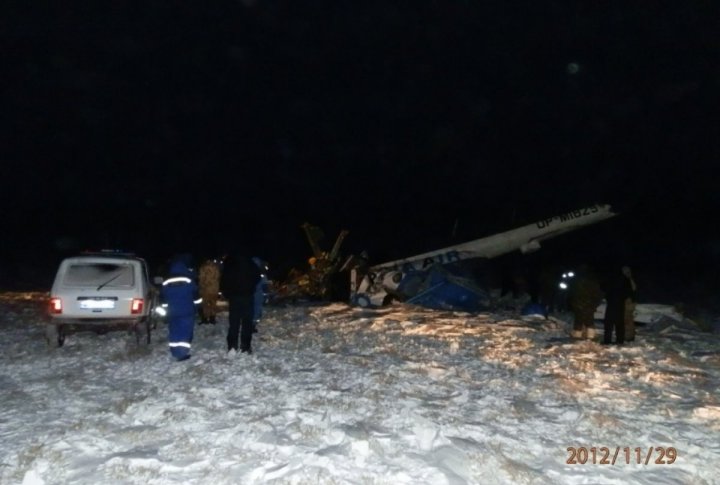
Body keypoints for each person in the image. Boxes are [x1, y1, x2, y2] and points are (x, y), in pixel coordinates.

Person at [220, 252, 261, 354]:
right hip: (248, 296)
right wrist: (251, 288)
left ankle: (232, 346)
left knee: (234, 323)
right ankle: (245, 347)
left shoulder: (230, 264)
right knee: (247, 323)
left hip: (234, 298)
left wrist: (227, 294)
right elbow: (258, 277)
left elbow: (224, 281)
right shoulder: (250, 263)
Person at [160, 259, 200, 361]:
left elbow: (163, 300)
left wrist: (164, 312)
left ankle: (174, 351)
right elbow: (196, 297)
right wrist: (197, 307)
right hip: (187, 311)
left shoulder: (166, 282)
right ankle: (182, 354)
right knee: (185, 332)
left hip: (172, 312)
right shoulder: (189, 280)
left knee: (174, 331)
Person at [567, 265, 604, 340]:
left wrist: (572, 303)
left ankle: (577, 335)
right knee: (589, 319)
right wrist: (595, 304)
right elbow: (598, 294)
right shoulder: (593, 281)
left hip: (578, 303)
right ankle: (590, 336)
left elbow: (571, 293)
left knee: (579, 319)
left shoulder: (576, 281)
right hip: (589, 304)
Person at [603, 265, 635, 345]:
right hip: (620, 304)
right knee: (620, 323)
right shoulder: (625, 280)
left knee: (609, 323)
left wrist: (608, 298)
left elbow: (605, 289)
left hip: (611, 303)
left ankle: (607, 340)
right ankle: (620, 340)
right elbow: (630, 291)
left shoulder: (611, 278)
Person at [198, 258, 221, 324]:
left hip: (205, 289)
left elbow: (201, 278)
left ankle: (205, 319)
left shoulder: (203, 267)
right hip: (214, 289)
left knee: (205, 304)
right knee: (213, 304)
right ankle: (212, 318)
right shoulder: (216, 267)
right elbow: (218, 276)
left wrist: (201, 286)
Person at [251, 257, 269, 331]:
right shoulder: (261, 274)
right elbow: (264, 286)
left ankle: (250, 324)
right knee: (257, 309)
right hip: (257, 294)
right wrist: (266, 297)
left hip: (249, 293)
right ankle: (252, 325)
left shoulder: (247, 272)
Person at [622, 266, 638, 342]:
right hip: (631, 302)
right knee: (629, 319)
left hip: (628, 302)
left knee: (627, 320)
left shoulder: (628, 280)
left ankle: (629, 337)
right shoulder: (631, 280)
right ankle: (630, 336)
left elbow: (630, 291)